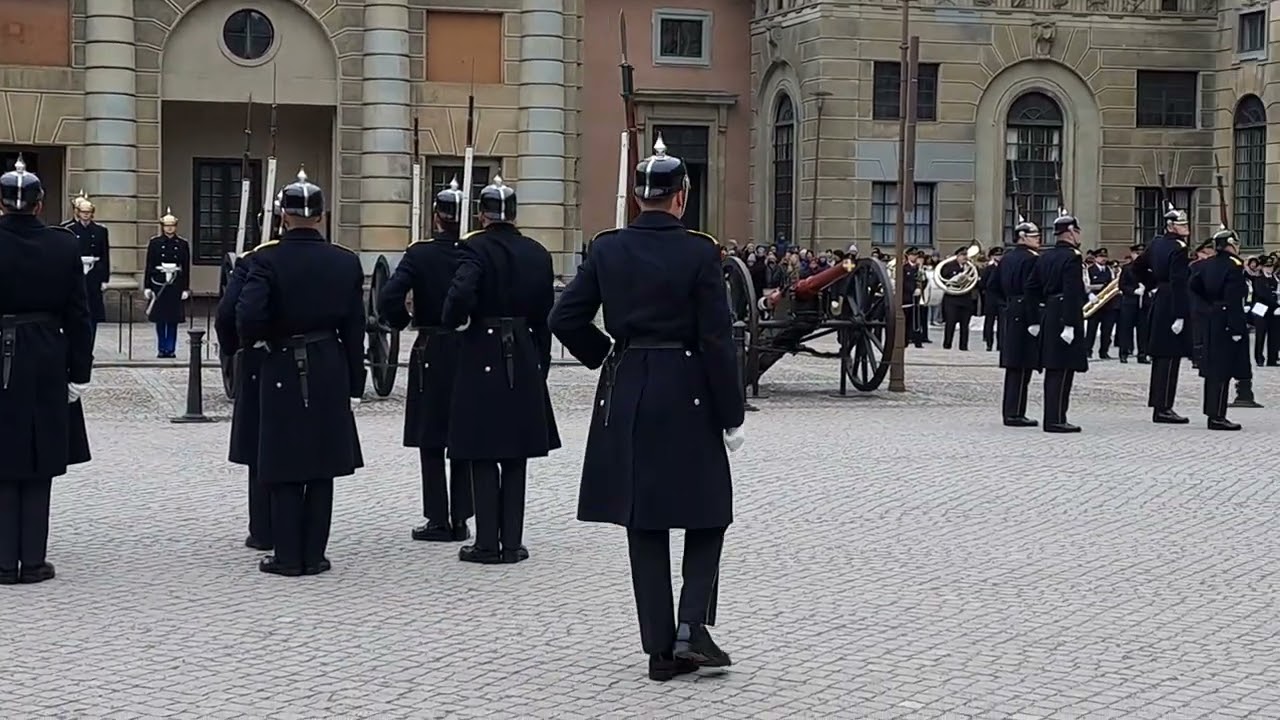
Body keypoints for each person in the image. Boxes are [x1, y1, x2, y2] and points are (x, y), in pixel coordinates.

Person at [549, 135, 744, 682]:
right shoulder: (700, 251)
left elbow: (564, 318)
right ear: (681, 196)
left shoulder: (607, 247)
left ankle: (660, 650)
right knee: (709, 510)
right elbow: (716, 340)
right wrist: (731, 412)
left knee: (644, 517)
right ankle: (691, 626)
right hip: (688, 385)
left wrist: (606, 353)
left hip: (630, 381)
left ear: (638, 197)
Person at [235, 168, 366, 577]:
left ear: (283, 216)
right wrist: (355, 381)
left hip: (281, 361)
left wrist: (258, 340)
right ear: (322, 216)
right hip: (329, 360)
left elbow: (247, 314)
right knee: (322, 463)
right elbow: (356, 326)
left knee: (284, 458)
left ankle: (288, 555)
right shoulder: (345, 261)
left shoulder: (266, 259)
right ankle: (315, 553)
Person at [440, 176, 559, 565]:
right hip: (523, 346)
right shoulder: (537, 253)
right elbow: (544, 315)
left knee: (482, 447)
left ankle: (487, 542)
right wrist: (540, 361)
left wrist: (454, 321)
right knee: (516, 452)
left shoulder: (473, 247)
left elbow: (461, 293)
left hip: (482, 346)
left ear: (482, 215)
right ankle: (512, 542)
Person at [0, 156, 93, 584]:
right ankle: (33, 560)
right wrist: (80, 371)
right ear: (40, 204)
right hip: (45, 353)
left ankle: (4, 561)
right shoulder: (63, 245)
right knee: (39, 457)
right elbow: (79, 314)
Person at [377, 179, 474, 543]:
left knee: (431, 436)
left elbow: (390, 296)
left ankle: (437, 517)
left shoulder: (420, 254)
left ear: (436, 217)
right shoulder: (474, 251)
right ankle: (461, 516)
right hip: (469, 345)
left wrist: (402, 321)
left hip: (431, 345)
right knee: (463, 432)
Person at [214, 202, 285, 553]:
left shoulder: (254, 261)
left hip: (261, 360)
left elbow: (227, 314)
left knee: (260, 446)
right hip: (315, 360)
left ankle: (263, 529)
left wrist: (235, 350)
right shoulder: (334, 258)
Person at [1025, 210, 1088, 433]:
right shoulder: (1072, 257)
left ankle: (1054, 416)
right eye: (1077, 231)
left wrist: (1034, 318)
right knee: (1063, 369)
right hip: (1064, 314)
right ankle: (1056, 419)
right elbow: (1071, 291)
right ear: (1070, 232)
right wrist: (1070, 323)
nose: (1079, 235)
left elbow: (1031, 288)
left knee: (1054, 368)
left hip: (1049, 312)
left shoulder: (1045, 256)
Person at [1133, 203, 1192, 424]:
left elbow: (1137, 267)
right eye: (1181, 224)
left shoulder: (1156, 243)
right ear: (1170, 226)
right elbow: (1178, 282)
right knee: (1169, 356)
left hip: (1160, 298)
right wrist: (1180, 314)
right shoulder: (1179, 248)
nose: (1186, 227)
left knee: (1161, 357)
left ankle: (1160, 405)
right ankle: (1164, 407)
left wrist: (1152, 284)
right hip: (1172, 302)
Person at [1188, 227, 1249, 430]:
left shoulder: (1205, 264)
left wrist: (1209, 306)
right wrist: (1237, 328)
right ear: (1230, 245)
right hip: (1226, 322)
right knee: (1223, 370)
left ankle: (1212, 412)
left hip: (1211, 319)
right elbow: (1234, 299)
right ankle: (1217, 416)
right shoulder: (1234, 266)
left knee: (1213, 368)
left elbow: (1194, 286)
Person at [987, 219, 1041, 427]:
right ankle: (1015, 413)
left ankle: (1012, 411)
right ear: (1023, 237)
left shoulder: (1007, 258)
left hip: (1010, 310)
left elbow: (992, 287)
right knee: (1023, 365)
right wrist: (1034, 318)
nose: (1038, 239)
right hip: (1026, 312)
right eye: (1034, 236)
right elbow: (1033, 290)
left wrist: (1004, 305)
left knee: (1014, 366)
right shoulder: (1032, 259)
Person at [144, 208, 191, 359]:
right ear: (162, 227)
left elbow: (186, 267)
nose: (169, 228)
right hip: (159, 282)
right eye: (167, 226)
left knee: (172, 319)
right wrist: (147, 286)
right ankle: (161, 347)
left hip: (175, 283)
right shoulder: (155, 243)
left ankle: (170, 348)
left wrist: (185, 288)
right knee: (160, 319)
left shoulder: (182, 244)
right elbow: (149, 265)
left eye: (172, 226)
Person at [64, 192, 110, 348]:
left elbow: (104, 255)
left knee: (93, 313)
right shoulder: (70, 229)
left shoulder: (100, 231)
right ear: (78, 213)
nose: (85, 215)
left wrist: (104, 278)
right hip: (76, 272)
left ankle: (89, 345)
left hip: (94, 273)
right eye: (83, 212)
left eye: (88, 212)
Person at [1083, 248, 1119, 359]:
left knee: (1107, 330)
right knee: (1091, 330)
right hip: (1095, 303)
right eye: (1101, 257)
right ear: (1095, 258)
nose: (1103, 259)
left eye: (1105, 257)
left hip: (1108, 304)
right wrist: (1090, 295)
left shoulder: (1110, 270)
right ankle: (1087, 351)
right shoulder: (1089, 270)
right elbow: (1086, 284)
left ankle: (1104, 351)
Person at [1116, 244, 1149, 364]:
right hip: (1129, 302)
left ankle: (1142, 354)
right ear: (1133, 254)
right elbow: (1122, 285)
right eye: (1137, 254)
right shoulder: (1127, 268)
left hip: (1143, 303)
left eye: (1141, 254)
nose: (1139, 256)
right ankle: (1124, 353)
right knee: (1126, 329)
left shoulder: (1148, 268)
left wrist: (1148, 288)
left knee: (1143, 330)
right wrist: (1133, 291)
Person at [939, 247, 977, 350]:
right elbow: (944, 279)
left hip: (966, 299)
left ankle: (963, 346)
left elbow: (976, 281)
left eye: (966, 255)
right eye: (962, 255)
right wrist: (958, 278)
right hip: (952, 299)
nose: (965, 257)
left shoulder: (971, 268)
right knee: (950, 323)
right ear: (957, 256)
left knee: (965, 325)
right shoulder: (949, 266)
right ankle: (947, 345)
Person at [1249, 255, 1280, 366]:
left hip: (1273, 310)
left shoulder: (1275, 279)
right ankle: (1259, 358)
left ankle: (1272, 358)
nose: (1269, 269)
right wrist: (1276, 304)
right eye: (1266, 266)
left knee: (1274, 335)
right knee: (1260, 335)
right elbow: (1263, 294)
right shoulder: (1258, 279)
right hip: (1261, 310)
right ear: (1262, 267)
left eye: (1270, 266)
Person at [980, 247, 1003, 352]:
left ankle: (1000, 344)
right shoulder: (988, 269)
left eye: (1000, 255)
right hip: (991, 298)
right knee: (989, 321)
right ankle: (989, 343)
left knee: (1001, 323)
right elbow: (983, 284)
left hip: (1001, 298)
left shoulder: (1005, 267)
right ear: (992, 257)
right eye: (996, 255)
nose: (999, 257)